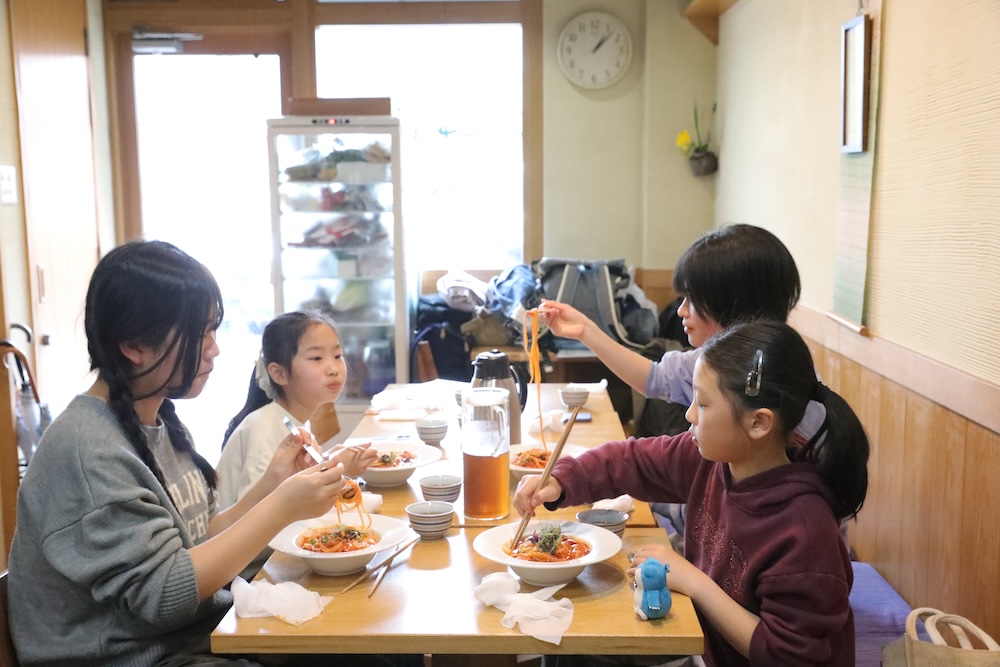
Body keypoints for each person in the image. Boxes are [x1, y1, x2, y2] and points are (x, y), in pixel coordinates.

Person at [7, 240, 350, 666]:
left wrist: (270, 487)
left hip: (197, 639)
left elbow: (198, 538)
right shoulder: (88, 450)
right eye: (199, 332)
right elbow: (166, 595)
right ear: (134, 345)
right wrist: (281, 507)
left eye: (213, 330)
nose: (214, 348)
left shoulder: (158, 420)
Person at [514, 320, 870, 666]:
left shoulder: (805, 535)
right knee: (570, 641)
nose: (689, 415)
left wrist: (694, 582)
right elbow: (632, 460)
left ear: (758, 423)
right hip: (705, 644)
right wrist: (560, 481)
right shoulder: (713, 459)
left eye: (702, 404)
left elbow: (782, 654)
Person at [216, 311, 377, 509]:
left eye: (337, 356)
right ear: (279, 373)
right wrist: (335, 469)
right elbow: (257, 512)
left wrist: (328, 462)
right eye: (316, 358)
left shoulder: (294, 418)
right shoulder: (263, 428)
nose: (333, 369)